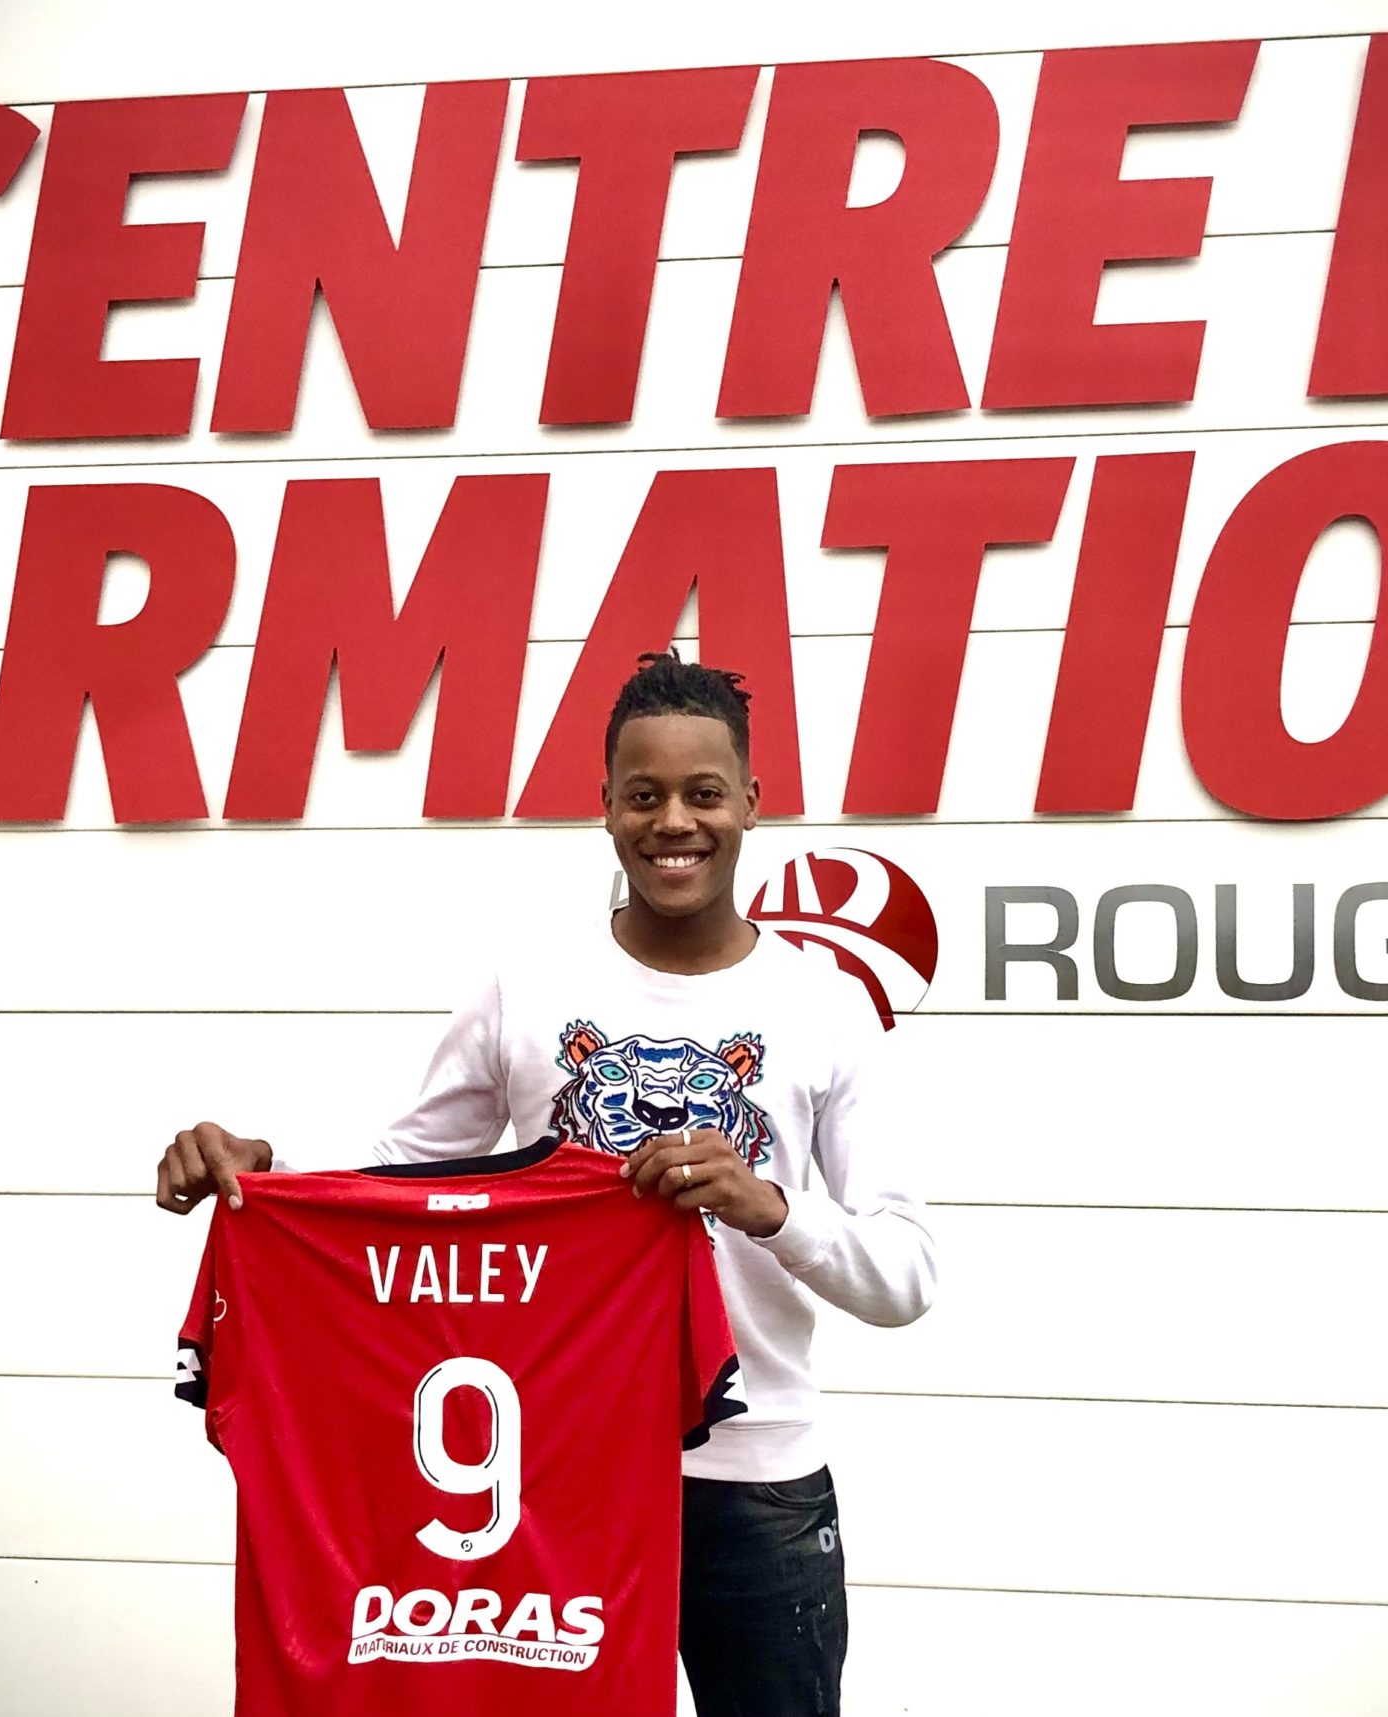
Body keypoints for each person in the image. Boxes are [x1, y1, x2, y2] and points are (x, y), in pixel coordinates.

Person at [158, 648, 938, 1715]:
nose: (675, 821)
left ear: (753, 802)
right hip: (561, 1474)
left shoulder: (825, 1007)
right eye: (645, 795)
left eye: (704, 793)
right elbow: (406, 1173)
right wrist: (269, 1171)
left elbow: (905, 1277)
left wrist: (768, 1205)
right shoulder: (527, 985)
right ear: (606, 806)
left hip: (757, 1483)